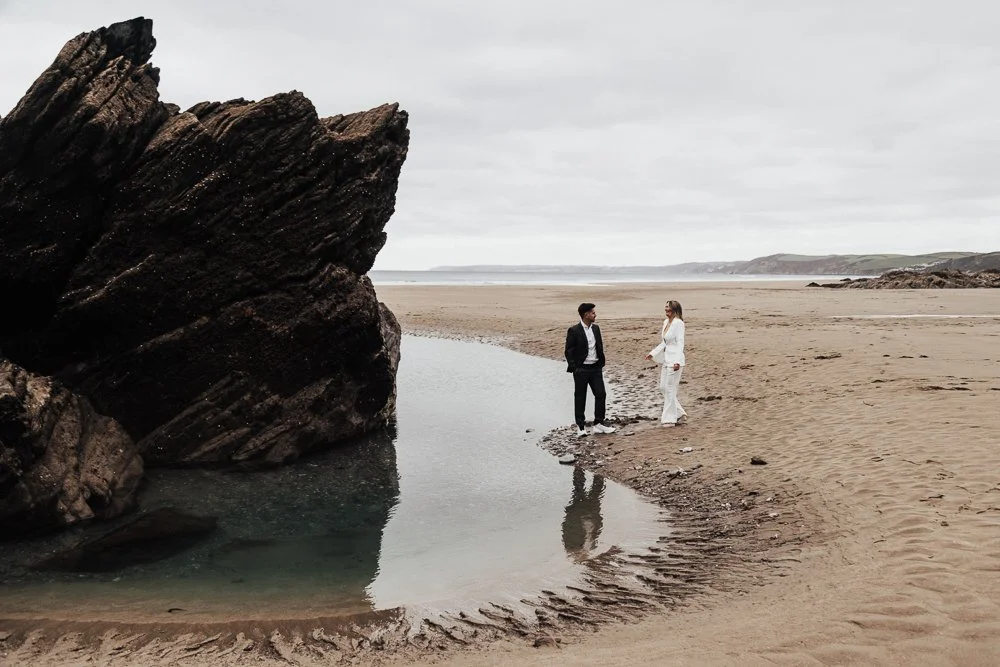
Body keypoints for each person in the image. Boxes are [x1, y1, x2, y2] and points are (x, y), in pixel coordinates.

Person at [565, 302, 616, 437]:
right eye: (593, 313)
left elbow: (599, 346)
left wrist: (601, 363)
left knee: (601, 394)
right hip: (581, 369)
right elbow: (569, 351)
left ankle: (598, 424)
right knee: (580, 397)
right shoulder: (574, 330)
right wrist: (575, 368)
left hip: (595, 368)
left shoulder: (596, 329)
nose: (595, 315)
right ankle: (580, 427)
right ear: (586, 315)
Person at [644, 300, 687, 427]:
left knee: (670, 389)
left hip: (675, 361)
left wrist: (677, 361)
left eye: (668, 307)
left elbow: (680, 343)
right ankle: (679, 412)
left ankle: (669, 419)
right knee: (663, 387)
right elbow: (665, 342)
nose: (666, 309)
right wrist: (653, 353)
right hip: (666, 359)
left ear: (674, 309)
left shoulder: (679, 323)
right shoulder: (665, 322)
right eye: (665, 307)